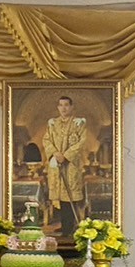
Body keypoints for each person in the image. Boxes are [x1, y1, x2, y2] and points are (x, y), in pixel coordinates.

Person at [41, 95, 87, 237]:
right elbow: (46, 140)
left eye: (66, 105)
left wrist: (66, 156)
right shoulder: (52, 124)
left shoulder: (78, 123)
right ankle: (64, 226)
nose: (63, 108)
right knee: (60, 198)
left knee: (69, 197)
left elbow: (82, 142)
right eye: (61, 105)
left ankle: (69, 228)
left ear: (71, 107)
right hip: (57, 165)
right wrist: (55, 153)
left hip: (71, 166)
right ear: (58, 107)